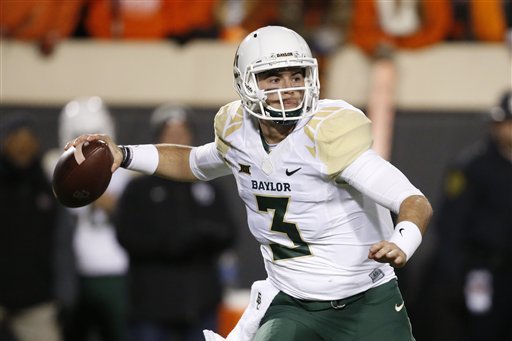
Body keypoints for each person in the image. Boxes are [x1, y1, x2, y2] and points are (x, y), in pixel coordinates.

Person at [67, 26, 433, 341]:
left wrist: (402, 242)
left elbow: (413, 200)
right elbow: (193, 162)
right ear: (246, 82)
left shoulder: (328, 135)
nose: (288, 89)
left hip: (365, 298)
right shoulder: (239, 134)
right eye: (273, 78)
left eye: (296, 76)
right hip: (292, 302)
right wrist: (124, 155)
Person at [115, 103, 237, 341]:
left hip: (201, 304)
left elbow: (229, 233)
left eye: (182, 132)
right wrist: (170, 242)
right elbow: (126, 235)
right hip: (151, 307)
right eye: (170, 133)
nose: (177, 138)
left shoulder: (210, 186)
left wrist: (199, 235)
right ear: (158, 139)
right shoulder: (138, 189)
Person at [421, 90, 512, 341]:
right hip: (482, 269)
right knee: (482, 329)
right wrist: (455, 275)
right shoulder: (474, 165)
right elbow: (451, 224)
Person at [49, 97, 132, 341]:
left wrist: (113, 207)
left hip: (116, 273)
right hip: (75, 274)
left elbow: (132, 222)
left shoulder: (124, 174)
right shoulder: (55, 172)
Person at [0, 113, 61, 341]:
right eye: (17, 139)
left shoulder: (47, 185)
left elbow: (61, 242)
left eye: (28, 140)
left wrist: (65, 291)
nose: (23, 146)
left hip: (37, 298)